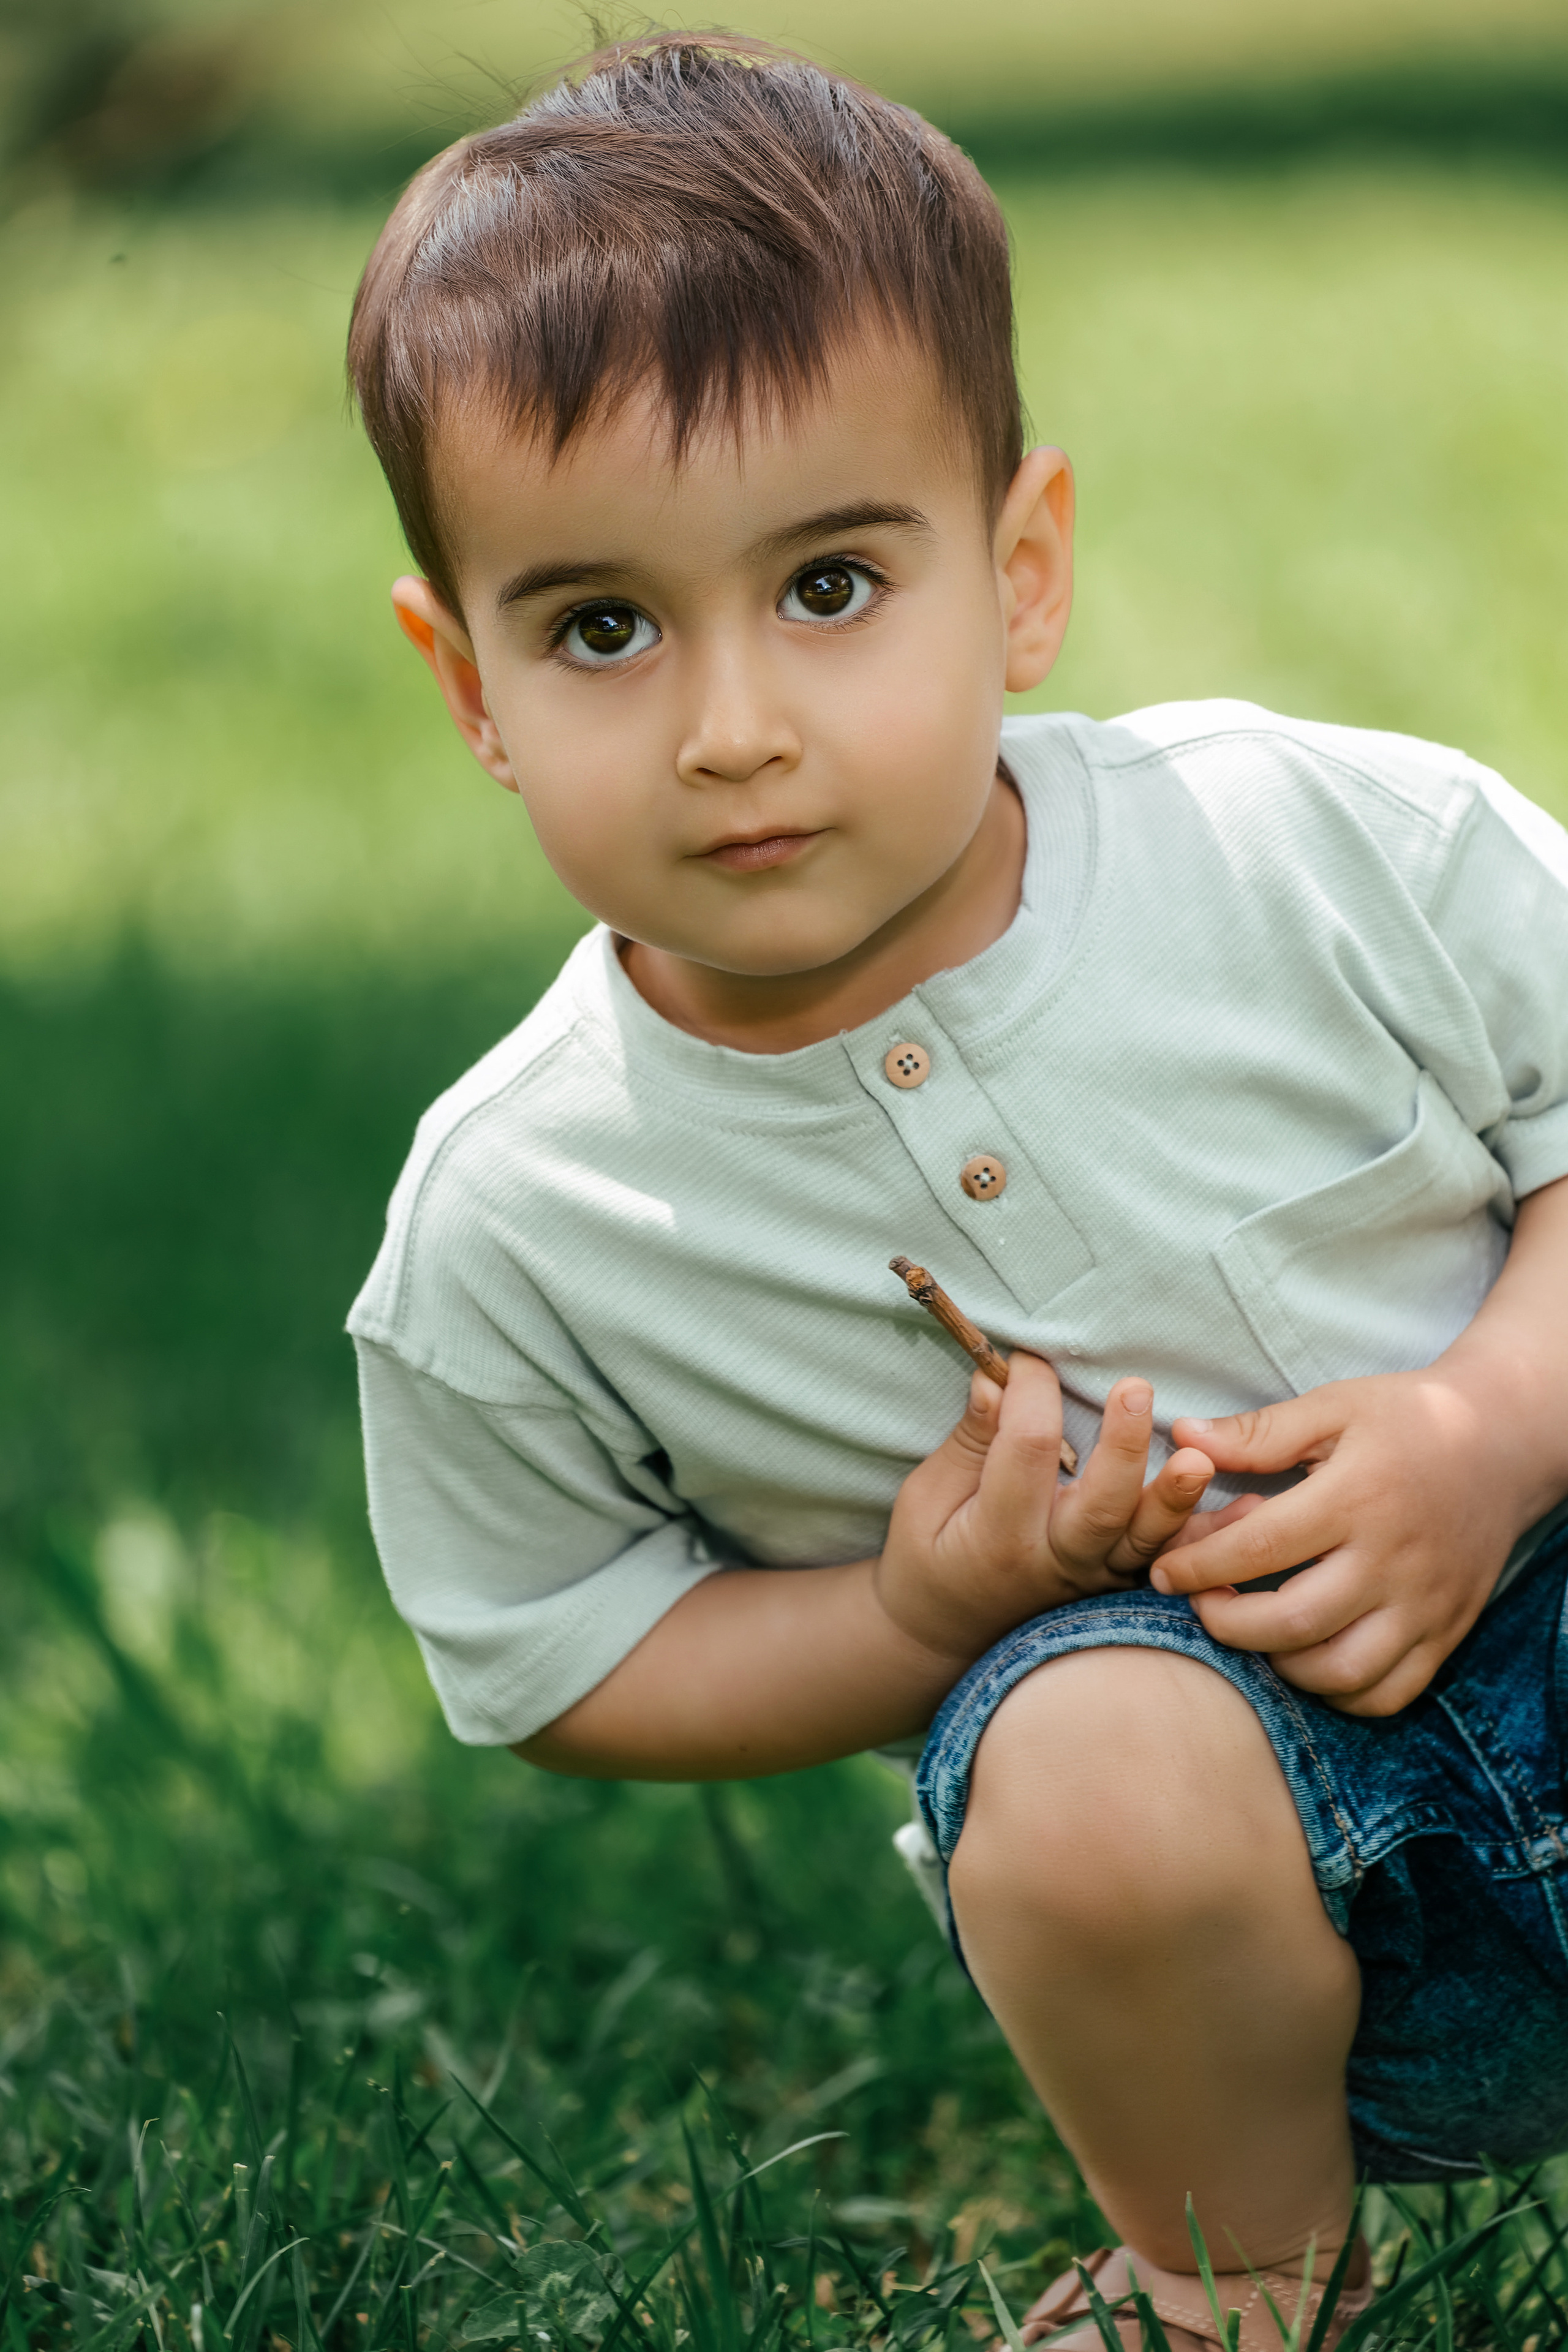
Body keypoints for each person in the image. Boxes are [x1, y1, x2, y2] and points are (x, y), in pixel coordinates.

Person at [344, 33, 1568, 2348]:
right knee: (1087, 1750)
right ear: (469, 683)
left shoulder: (1308, 849)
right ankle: (1235, 2265)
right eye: (601, 628)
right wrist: (918, 1617)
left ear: (1020, 571)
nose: (732, 727)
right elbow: (551, 1652)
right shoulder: (527, 1217)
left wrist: (1494, 1427)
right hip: (1240, 1906)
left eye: (829, 583)